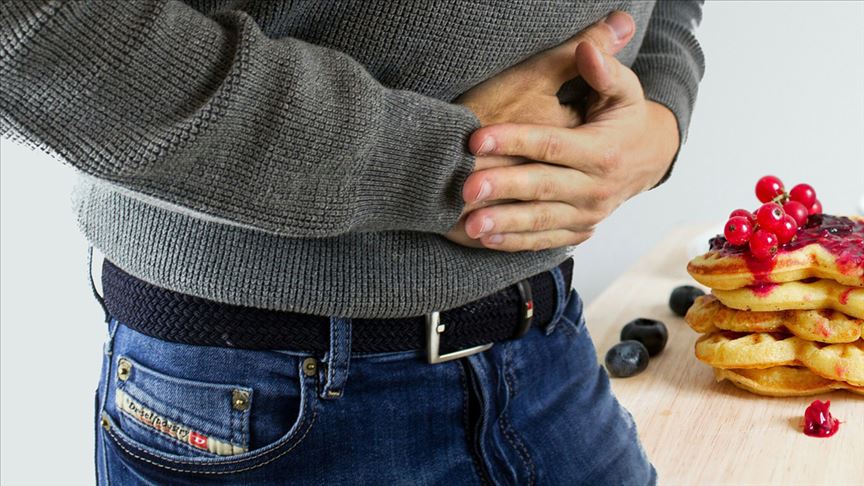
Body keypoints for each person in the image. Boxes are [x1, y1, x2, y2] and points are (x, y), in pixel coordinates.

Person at [0, 1, 704, 484]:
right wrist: (435, 164)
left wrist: (659, 114)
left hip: (546, 347)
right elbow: (30, 30)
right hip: (264, 391)